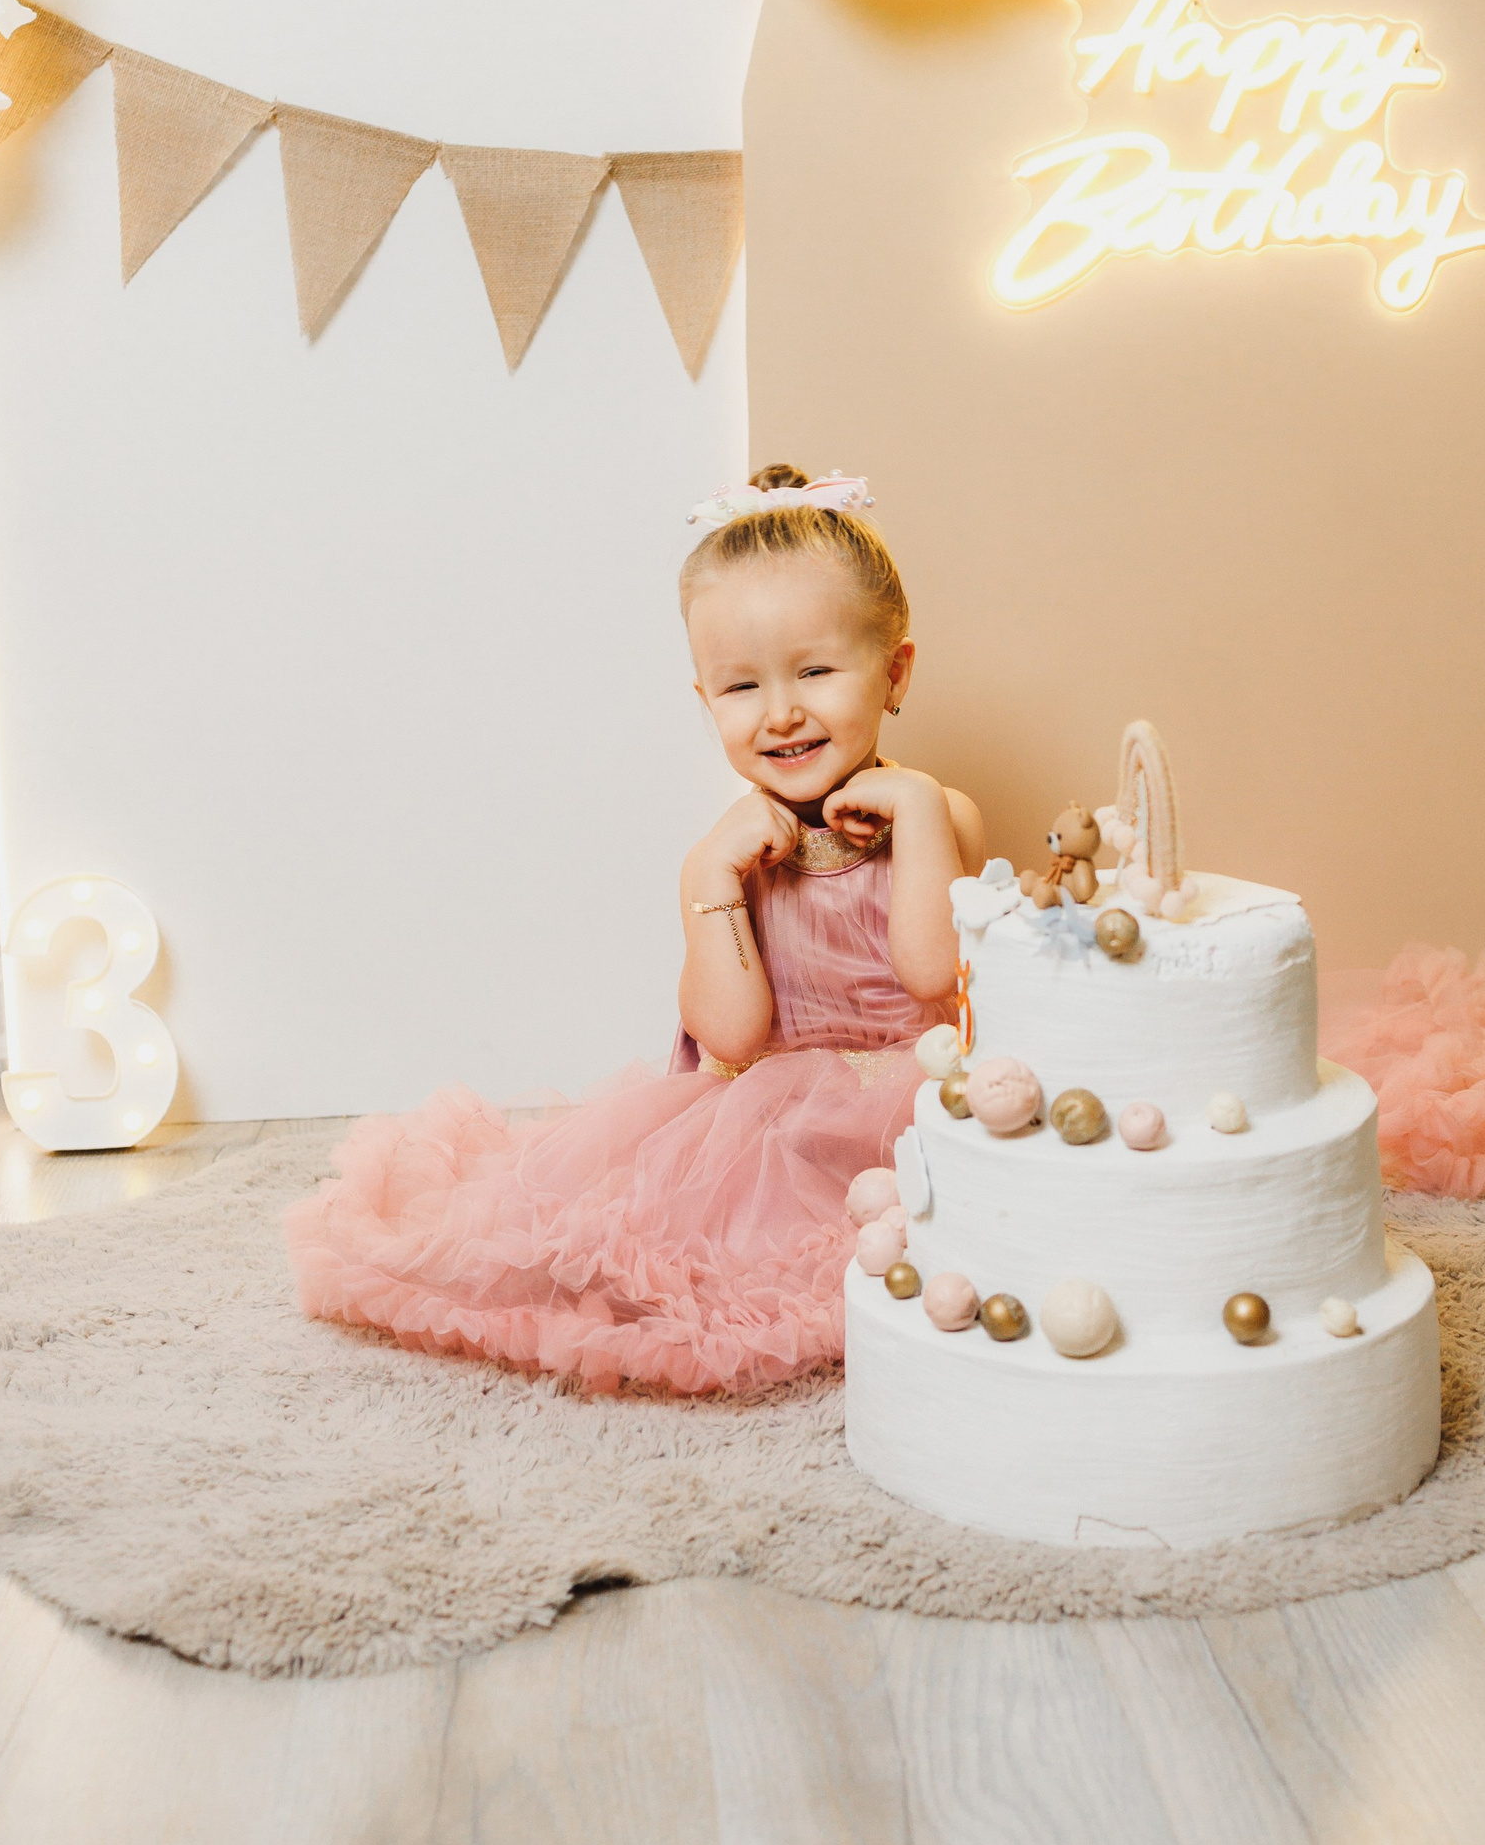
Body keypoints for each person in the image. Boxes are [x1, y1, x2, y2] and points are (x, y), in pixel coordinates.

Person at [284, 467, 982, 1394]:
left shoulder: (938, 817)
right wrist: (709, 877)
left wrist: (921, 806)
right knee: (666, 1255)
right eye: (741, 686)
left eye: (816, 671)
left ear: (894, 673)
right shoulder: (729, 855)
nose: (780, 711)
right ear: (706, 701)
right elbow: (732, 1038)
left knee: (955, 1232)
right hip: (774, 1131)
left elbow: (937, 977)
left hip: (915, 1111)